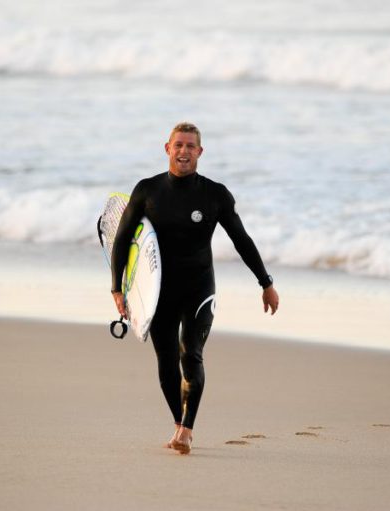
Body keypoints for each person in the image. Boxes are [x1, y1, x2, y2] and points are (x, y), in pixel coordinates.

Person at [111, 122, 279, 455]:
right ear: (167, 149)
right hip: (158, 290)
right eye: (179, 145)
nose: (184, 151)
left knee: (191, 354)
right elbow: (123, 239)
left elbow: (242, 240)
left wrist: (265, 282)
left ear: (200, 152)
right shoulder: (147, 190)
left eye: (190, 146)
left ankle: (186, 430)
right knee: (166, 361)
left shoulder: (215, 195)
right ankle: (179, 421)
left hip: (198, 287)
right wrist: (117, 289)